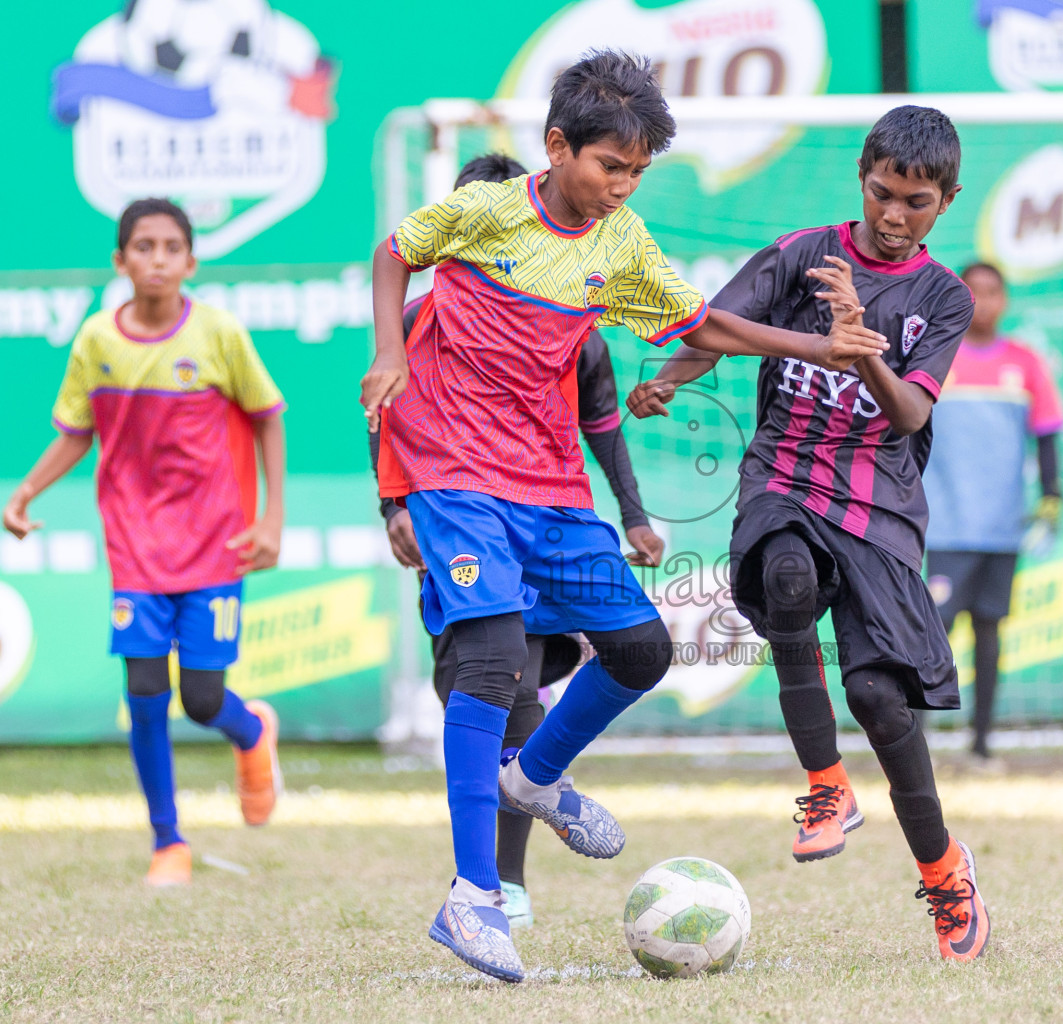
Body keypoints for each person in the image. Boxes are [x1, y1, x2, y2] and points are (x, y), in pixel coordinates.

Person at [360, 50, 889, 982]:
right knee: (488, 661)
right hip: (455, 476)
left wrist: (822, 346)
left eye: (639, 171)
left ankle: (536, 777)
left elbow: (700, 328)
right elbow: (395, 251)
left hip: (551, 486)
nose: (623, 185)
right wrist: (391, 353)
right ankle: (475, 896)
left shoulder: (624, 242)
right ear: (558, 146)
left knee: (644, 650)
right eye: (612, 165)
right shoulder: (486, 211)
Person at [628, 105, 991, 961]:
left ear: (947, 200)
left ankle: (945, 874)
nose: (895, 215)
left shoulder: (944, 297)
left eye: (917, 201)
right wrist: (673, 380)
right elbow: (714, 325)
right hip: (784, 477)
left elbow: (905, 415)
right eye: (882, 193)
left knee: (875, 696)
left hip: (878, 504)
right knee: (787, 581)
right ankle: (826, 786)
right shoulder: (803, 254)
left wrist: (860, 348)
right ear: (860, 177)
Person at [373, 152, 666, 930]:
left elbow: (601, 423)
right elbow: (386, 411)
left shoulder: (575, 319)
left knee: (525, 683)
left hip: (546, 520)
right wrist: (393, 503)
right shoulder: (420, 317)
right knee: (485, 681)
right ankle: (488, 885)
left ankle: (503, 881)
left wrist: (631, 511)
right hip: (463, 510)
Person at [1, 198, 286, 888]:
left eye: (170, 247)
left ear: (191, 261)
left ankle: (252, 734)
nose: (156, 259)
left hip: (217, 543)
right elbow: (76, 431)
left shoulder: (218, 333)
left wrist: (272, 519)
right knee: (146, 690)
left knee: (204, 698)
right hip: (135, 547)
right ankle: (168, 843)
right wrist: (26, 492)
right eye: (143, 246)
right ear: (120, 260)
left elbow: (268, 418)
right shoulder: (97, 341)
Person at [922, 261, 1063, 766]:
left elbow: (1048, 434)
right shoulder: (934, 356)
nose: (984, 301)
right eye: (972, 292)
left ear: (1005, 300)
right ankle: (915, 744)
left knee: (989, 633)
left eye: (993, 292)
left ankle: (981, 745)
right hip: (944, 525)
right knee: (933, 636)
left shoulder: (1025, 362)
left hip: (1002, 528)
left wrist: (1052, 496)